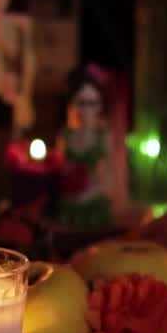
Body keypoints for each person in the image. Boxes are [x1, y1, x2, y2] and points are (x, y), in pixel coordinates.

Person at [56, 67, 112, 227]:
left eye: (92, 103)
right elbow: (60, 168)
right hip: (68, 205)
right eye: (82, 103)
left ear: (100, 105)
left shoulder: (104, 135)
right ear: (74, 104)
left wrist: (90, 191)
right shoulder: (65, 135)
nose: (87, 110)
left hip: (93, 205)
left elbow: (108, 177)